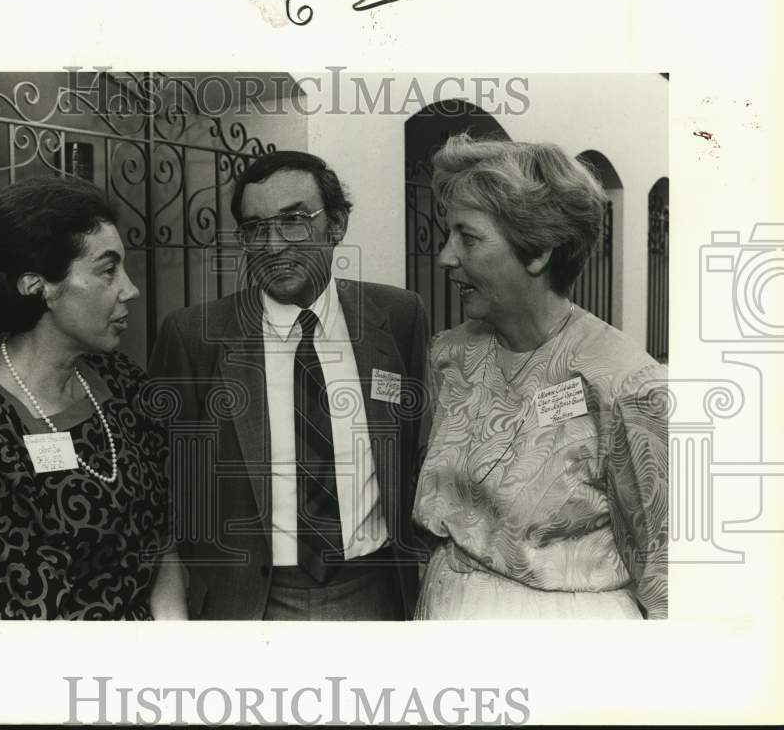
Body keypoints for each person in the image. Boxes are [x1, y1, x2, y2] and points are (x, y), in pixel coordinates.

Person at [148, 151, 430, 620]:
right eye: (255, 228)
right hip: (251, 602)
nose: (273, 245)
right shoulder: (194, 335)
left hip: (376, 590)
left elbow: (415, 447)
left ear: (336, 224)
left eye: (294, 221)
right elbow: (166, 483)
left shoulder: (398, 317)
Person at [413, 134, 668, 619]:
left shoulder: (625, 381)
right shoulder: (448, 356)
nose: (445, 257)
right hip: (446, 611)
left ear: (538, 251)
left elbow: (665, 568)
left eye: (468, 237)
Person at [0, 178, 186, 619]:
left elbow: (163, 543)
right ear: (37, 285)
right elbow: (23, 616)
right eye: (107, 270)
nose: (130, 289)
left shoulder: (122, 382)